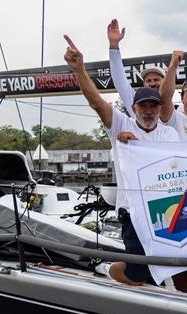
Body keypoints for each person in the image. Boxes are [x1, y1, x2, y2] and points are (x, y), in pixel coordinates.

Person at [63, 35, 178, 286]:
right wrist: (79, 69)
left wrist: (135, 145)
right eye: (143, 106)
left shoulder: (169, 134)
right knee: (137, 274)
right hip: (132, 210)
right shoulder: (121, 125)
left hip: (161, 209)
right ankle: (105, 267)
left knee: (158, 271)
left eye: (154, 106)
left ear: (160, 109)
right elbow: (96, 102)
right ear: (134, 108)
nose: (149, 111)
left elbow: (171, 163)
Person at [107, 19, 166, 118]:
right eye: (148, 81)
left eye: (156, 79)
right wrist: (114, 46)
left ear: (165, 81)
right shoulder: (136, 102)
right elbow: (120, 81)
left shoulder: (177, 110)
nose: (152, 84)